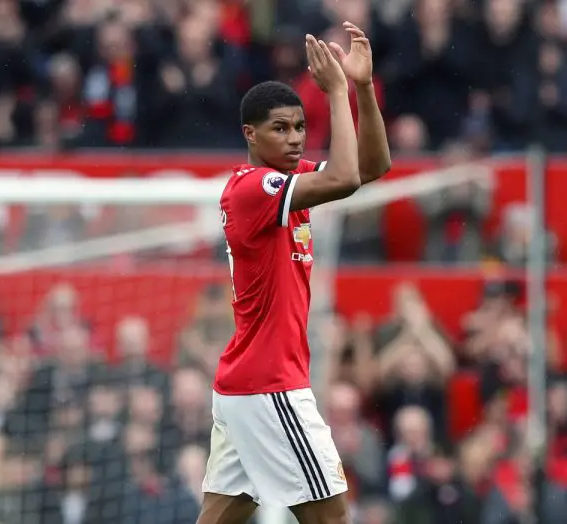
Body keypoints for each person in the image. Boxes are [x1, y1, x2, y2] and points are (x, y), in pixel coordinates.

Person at [197, 23, 391, 524]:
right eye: (280, 129)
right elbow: (345, 178)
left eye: (300, 127)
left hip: (247, 387)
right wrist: (335, 92)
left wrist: (362, 88)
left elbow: (372, 166)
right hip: (271, 386)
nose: (295, 138)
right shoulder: (254, 189)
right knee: (332, 517)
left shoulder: (287, 181)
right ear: (250, 134)